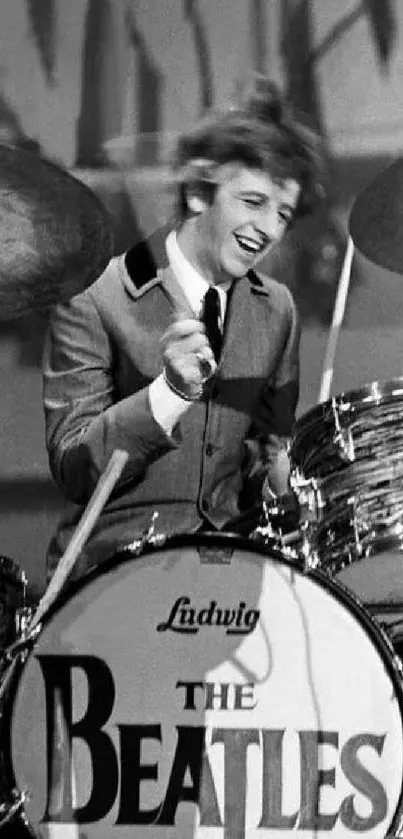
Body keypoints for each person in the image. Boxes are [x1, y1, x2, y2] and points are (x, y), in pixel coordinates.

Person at [42, 75, 324, 583]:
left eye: (283, 213)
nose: (269, 230)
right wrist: (168, 395)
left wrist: (279, 480)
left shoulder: (276, 310)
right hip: (112, 580)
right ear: (198, 192)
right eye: (253, 202)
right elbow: (74, 466)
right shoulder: (95, 294)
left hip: (228, 580)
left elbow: (266, 448)